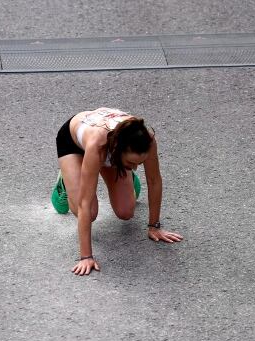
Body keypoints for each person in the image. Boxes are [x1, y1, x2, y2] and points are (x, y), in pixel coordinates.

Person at [51, 107, 183, 276]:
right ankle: (65, 182)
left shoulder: (147, 140)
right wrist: (86, 256)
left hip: (111, 152)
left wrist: (154, 226)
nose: (136, 167)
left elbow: (154, 180)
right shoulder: (97, 146)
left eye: (139, 163)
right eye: (131, 164)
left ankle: (125, 177)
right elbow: (84, 202)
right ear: (117, 151)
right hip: (72, 142)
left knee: (126, 211)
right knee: (89, 213)